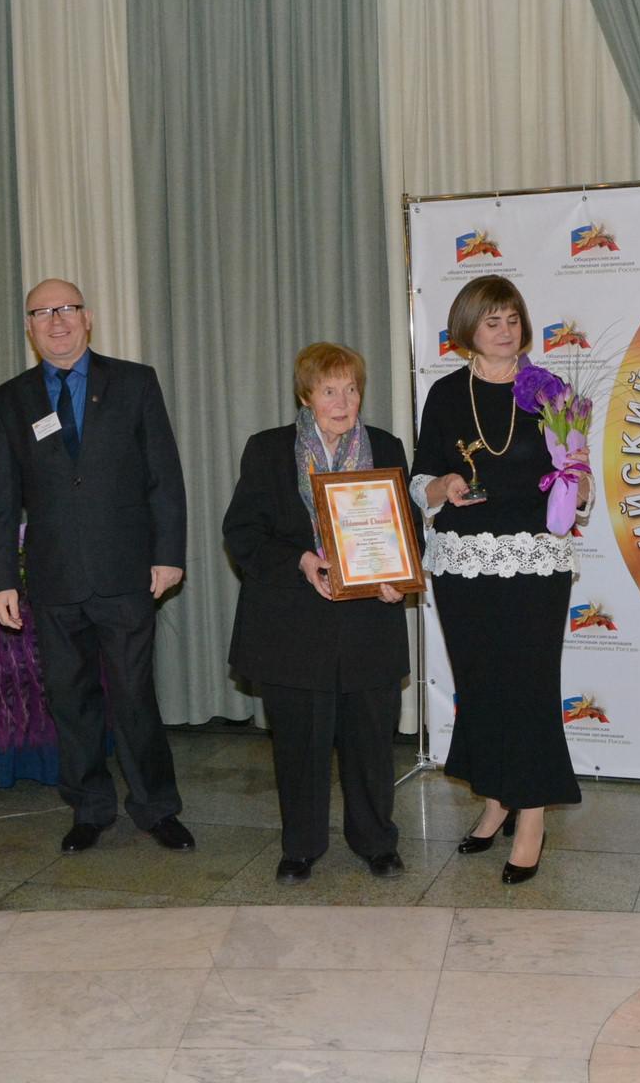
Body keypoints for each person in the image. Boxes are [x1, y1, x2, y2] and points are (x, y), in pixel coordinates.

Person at [0, 278, 194, 855]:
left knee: (134, 698)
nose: (56, 321)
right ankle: (90, 808)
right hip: (54, 578)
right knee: (70, 700)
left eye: (67, 309)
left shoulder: (135, 383)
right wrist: (1, 580)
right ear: (29, 327)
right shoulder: (9, 400)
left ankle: (156, 807)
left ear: (88, 317)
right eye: (42, 312)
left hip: (126, 572)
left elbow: (164, 476)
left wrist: (168, 554)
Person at [411, 274, 591, 884]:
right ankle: (495, 801)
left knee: (529, 686)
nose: (506, 330)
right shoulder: (445, 394)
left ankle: (532, 817)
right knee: (481, 684)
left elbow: (577, 470)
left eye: (513, 319)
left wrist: (579, 486)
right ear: (468, 329)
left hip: (536, 560)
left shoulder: (550, 391)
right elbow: (420, 478)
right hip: (463, 562)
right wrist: (442, 486)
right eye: (492, 321)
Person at [222, 343, 415, 884]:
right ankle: (301, 847)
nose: (343, 401)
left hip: (368, 624)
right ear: (306, 396)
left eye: (351, 389)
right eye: (330, 390)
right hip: (292, 625)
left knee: (371, 743)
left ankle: (376, 842)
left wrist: (397, 577)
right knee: (299, 746)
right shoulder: (268, 450)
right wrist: (302, 561)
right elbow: (243, 533)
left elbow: (407, 530)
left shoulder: (386, 448)